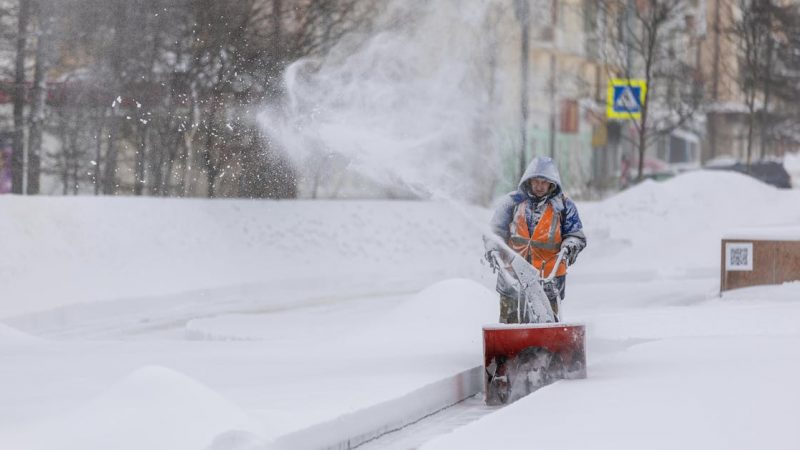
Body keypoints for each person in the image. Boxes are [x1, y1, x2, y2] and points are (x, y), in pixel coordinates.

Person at [489, 156, 586, 322]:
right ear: (529, 181)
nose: (539, 186)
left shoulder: (563, 206)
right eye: (536, 181)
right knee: (510, 323)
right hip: (513, 277)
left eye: (544, 182)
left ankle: (548, 338)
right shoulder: (512, 202)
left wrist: (570, 246)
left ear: (552, 184)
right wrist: (493, 248)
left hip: (548, 279)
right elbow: (495, 231)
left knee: (547, 323)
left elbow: (575, 235)